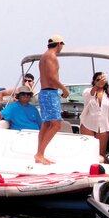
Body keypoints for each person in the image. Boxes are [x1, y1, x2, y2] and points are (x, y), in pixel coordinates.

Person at [35, 35, 69, 164]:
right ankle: (39, 154)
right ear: (59, 44)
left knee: (47, 123)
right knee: (56, 124)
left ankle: (40, 153)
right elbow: (52, 78)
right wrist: (64, 89)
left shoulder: (44, 56)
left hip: (45, 92)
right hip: (50, 93)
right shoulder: (51, 56)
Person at [79, 72, 109, 159]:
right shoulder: (88, 91)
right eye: (98, 80)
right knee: (87, 150)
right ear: (94, 81)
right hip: (88, 124)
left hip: (104, 126)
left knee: (101, 153)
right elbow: (90, 94)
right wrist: (96, 86)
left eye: (102, 80)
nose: (100, 82)